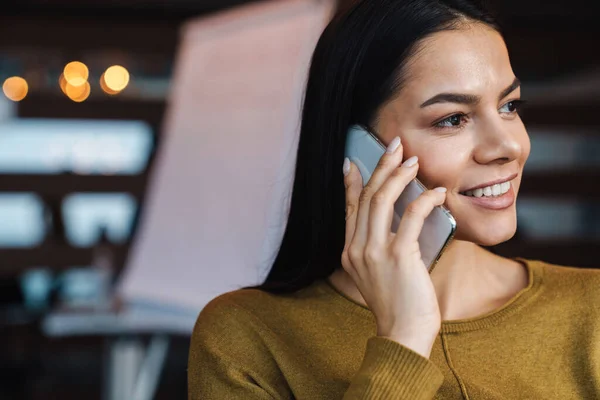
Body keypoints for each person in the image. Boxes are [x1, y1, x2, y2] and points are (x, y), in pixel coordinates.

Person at [188, 0, 600, 398]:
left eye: (510, 106)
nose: (508, 145)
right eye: (452, 119)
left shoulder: (590, 309)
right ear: (359, 149)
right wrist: (404, 338)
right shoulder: (246, 336)